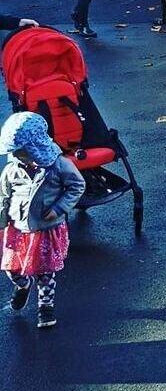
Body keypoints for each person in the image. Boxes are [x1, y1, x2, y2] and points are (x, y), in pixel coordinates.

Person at [0, 111, 85, 330]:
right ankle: (23, 285)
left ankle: (45, 308)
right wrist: (2, 219)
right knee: (12, 269)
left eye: (22, 152)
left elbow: (77, 186)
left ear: (34, 147)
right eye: (15, 152)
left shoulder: (58, 165)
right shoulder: (12, 170)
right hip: (18, 227)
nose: (18, 156)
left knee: (45, 272)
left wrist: (58, 209)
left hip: (46, 228)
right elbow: (4, 196)